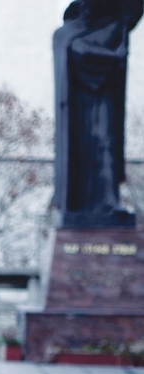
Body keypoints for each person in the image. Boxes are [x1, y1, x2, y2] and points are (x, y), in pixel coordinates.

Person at [52, 0, 142, 225]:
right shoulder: (66, 35)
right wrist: (113, 55)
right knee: (80, 152)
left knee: (106, 143)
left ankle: (108, 201)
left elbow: (133, 11)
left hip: (102, 101)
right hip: (76, 110)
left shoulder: (111, 28)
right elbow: (80, 53)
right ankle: (78, 203)